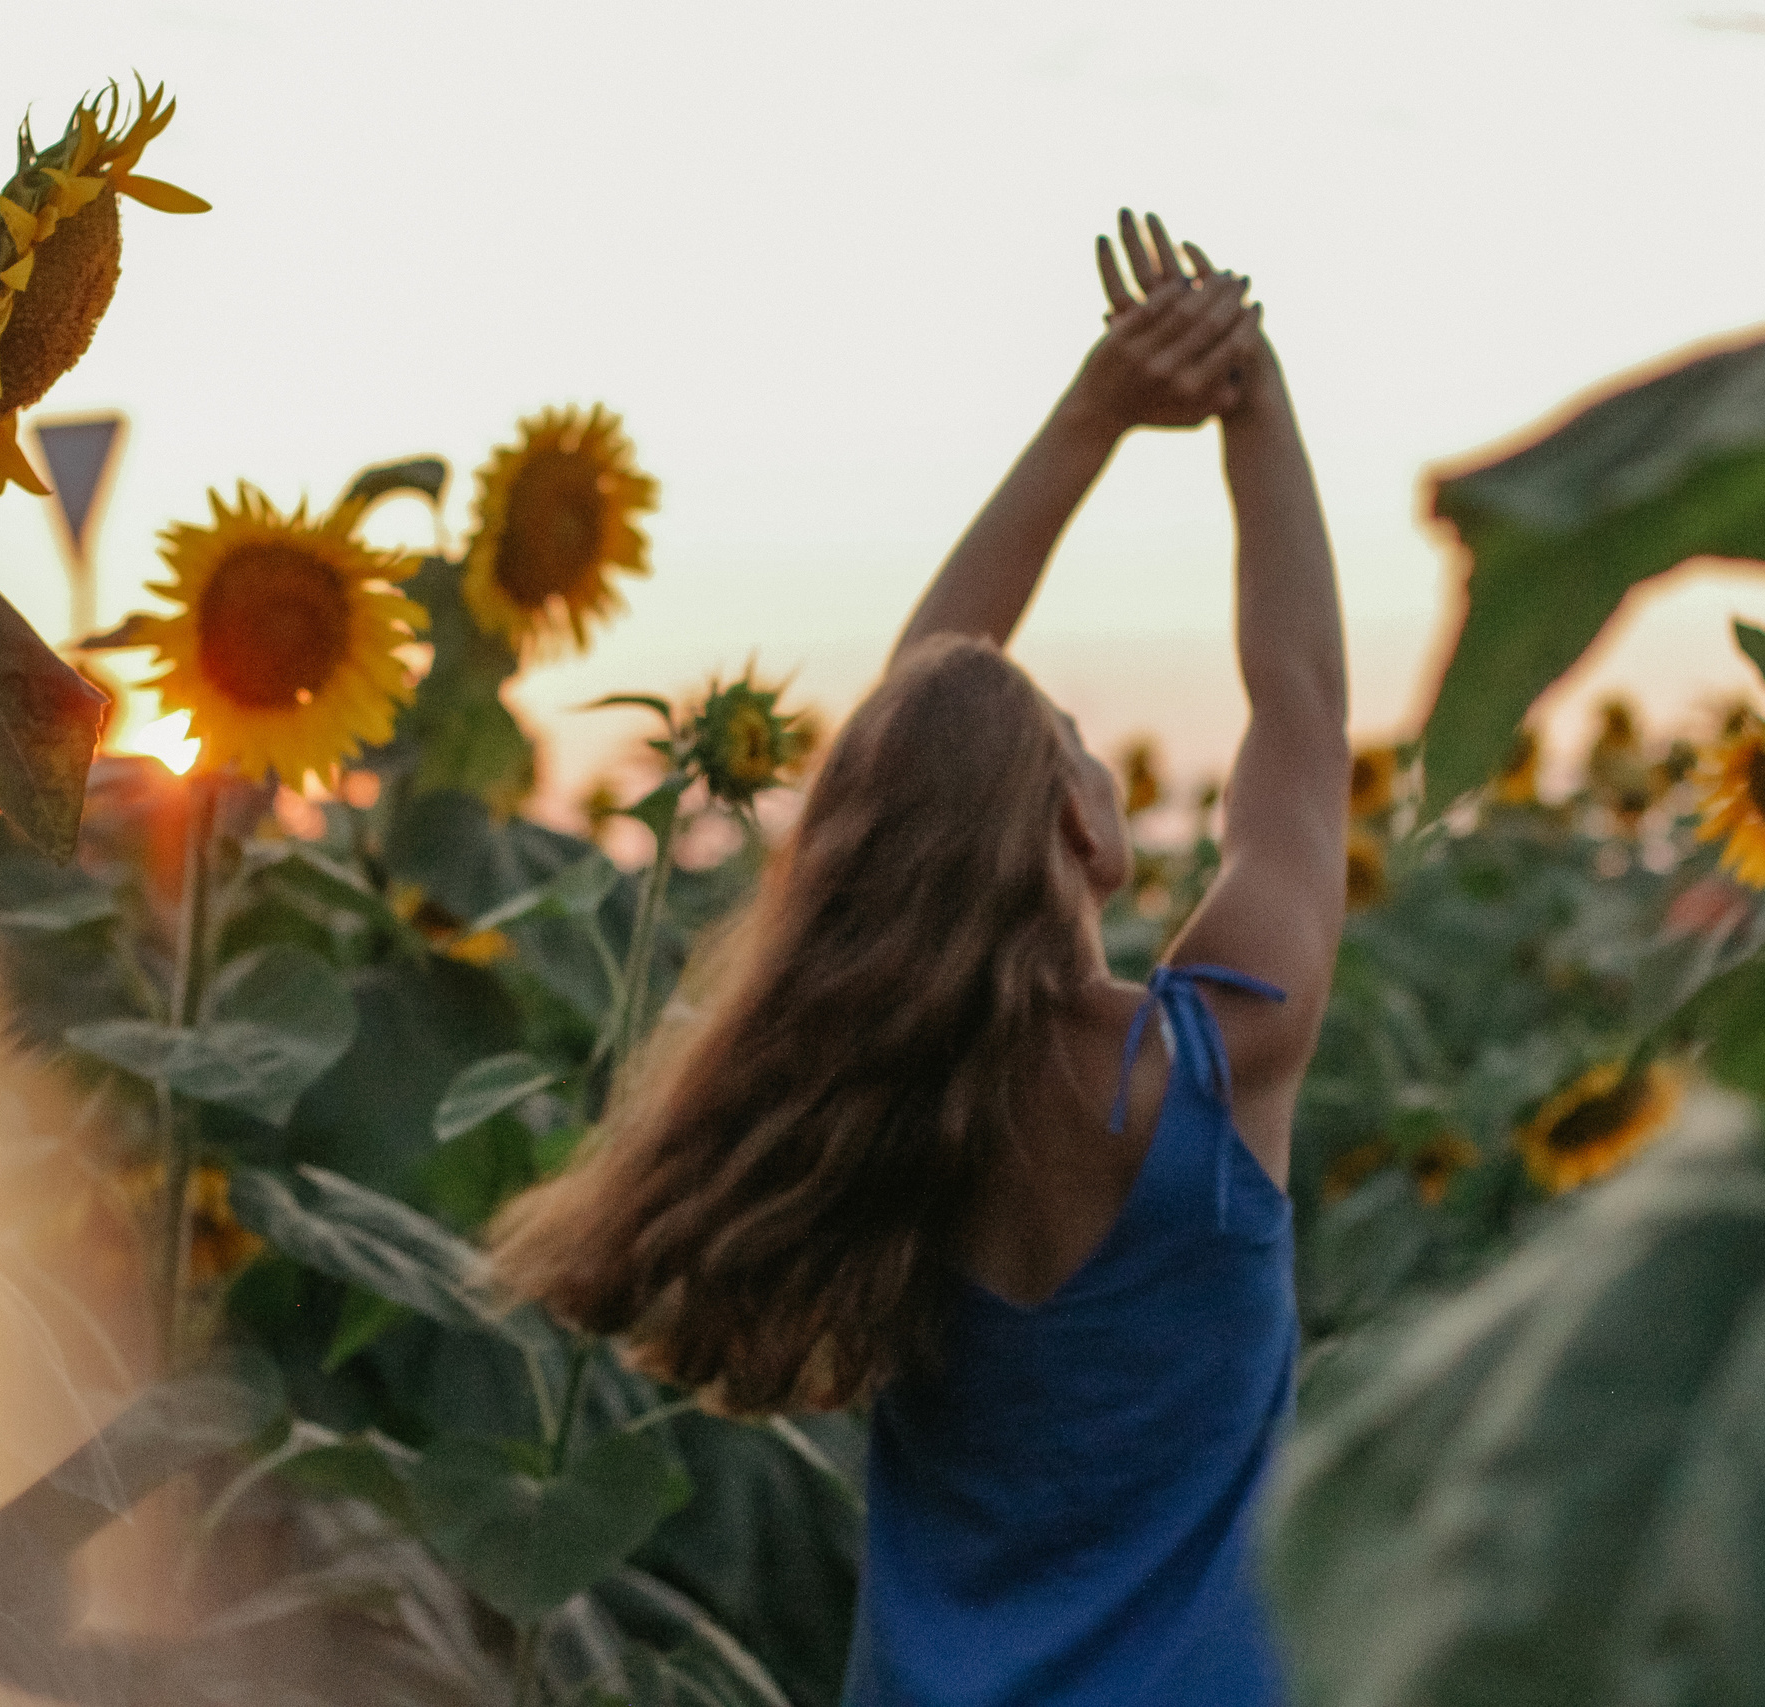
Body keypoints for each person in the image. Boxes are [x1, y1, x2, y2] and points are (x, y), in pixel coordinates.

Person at [488, 209, 1348, 1706]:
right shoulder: (1213, 1072)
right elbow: (1305, 708)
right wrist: (1251, 398)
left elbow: (914, 734)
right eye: (1076, 746)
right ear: (1075, 827)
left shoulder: (874, 1113)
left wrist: (1091, 413)